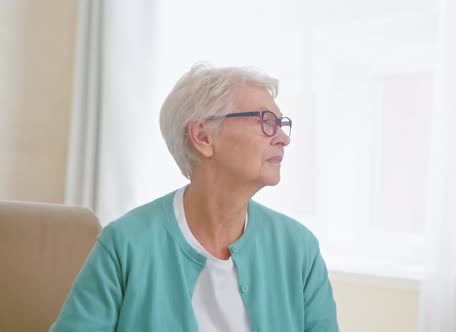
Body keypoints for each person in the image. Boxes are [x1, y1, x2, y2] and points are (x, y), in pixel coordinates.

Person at [50, 63, 339, 331]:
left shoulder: (299, 249)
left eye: (281, 123)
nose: (283, 138)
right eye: (265, 120)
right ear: (203, 137)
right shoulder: (125, 245)